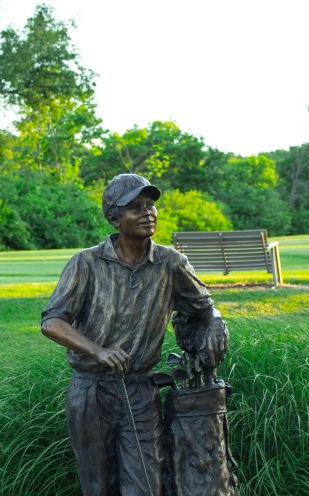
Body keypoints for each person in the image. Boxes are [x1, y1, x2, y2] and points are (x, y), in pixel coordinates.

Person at [41, 173, 227, 496]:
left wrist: (215, 322)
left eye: (151, 205)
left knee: (146, 486)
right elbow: (52, 322)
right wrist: (97, 351)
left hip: (141, 390)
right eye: (135, 207)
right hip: (91, 391)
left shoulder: (171, 263)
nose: (148, 212)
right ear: (114, 217)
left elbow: (205, 307)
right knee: (99, 487)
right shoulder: (85, 263)